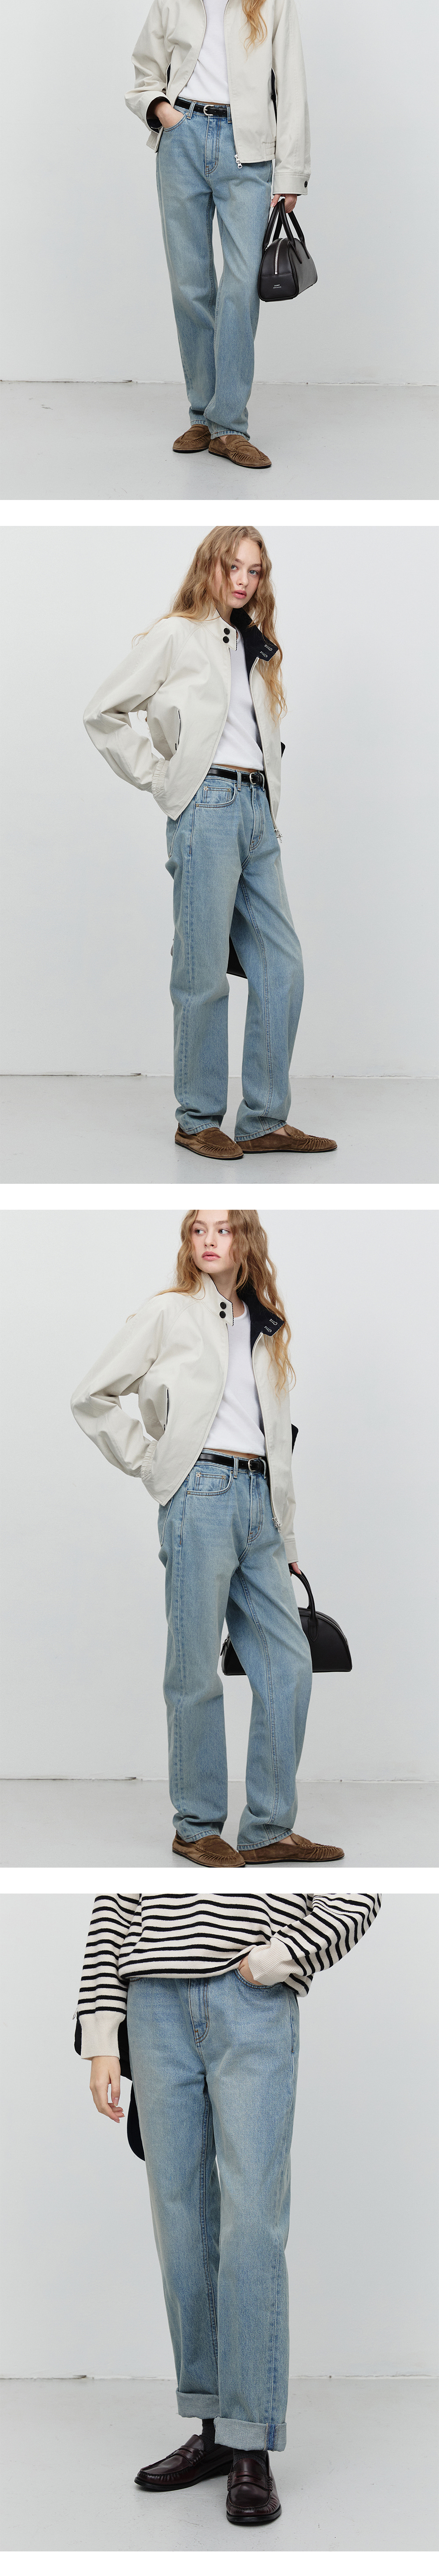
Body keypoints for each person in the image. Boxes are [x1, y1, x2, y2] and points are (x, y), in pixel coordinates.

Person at [76, 1886, 381, 2523]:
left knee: (252, 2226)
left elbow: (361, 1894)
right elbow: (115, 1905)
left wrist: (283, 1955)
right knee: (180, 2221)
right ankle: (214, 2430)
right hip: (152, 2000)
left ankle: (251, 2442)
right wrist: (103, 2031)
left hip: (253, 1997)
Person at [71, 1204, 344, 1866]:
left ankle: (268, 1829)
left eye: (223, 1230)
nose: (209, 1240)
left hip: (260, 1507)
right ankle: (196, 1826)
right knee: (195, 1669)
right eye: (199, 1230)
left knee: (288, 1665)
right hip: (200, 1495)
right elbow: (92, 1396)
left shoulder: (267, 1325)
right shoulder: (169, 1313)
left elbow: (276, 1440)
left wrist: (288, 1536)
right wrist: (156, 1464)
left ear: (245, 1239)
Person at [83, 522, 337, 1163]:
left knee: (282, 966)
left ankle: (263, 1120)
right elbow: (102, 713)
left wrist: (267, 803)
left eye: (255, 571)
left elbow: (256, 736)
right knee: (202, 972)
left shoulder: (257, 644)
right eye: (234, 567)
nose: (243, 581)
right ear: (211, 567)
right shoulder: (177, 635)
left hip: (257, 811)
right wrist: (164, 779)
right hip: (209, 807)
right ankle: (197, 1118)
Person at [128, 0, 310, 469]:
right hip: (182, 142)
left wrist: (290, 174)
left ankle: (230, 425)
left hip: (246, 149)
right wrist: (163, 112)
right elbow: (145, 72)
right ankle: (201, 418)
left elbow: (292, 87)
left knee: (238, 288)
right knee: (191, 285)